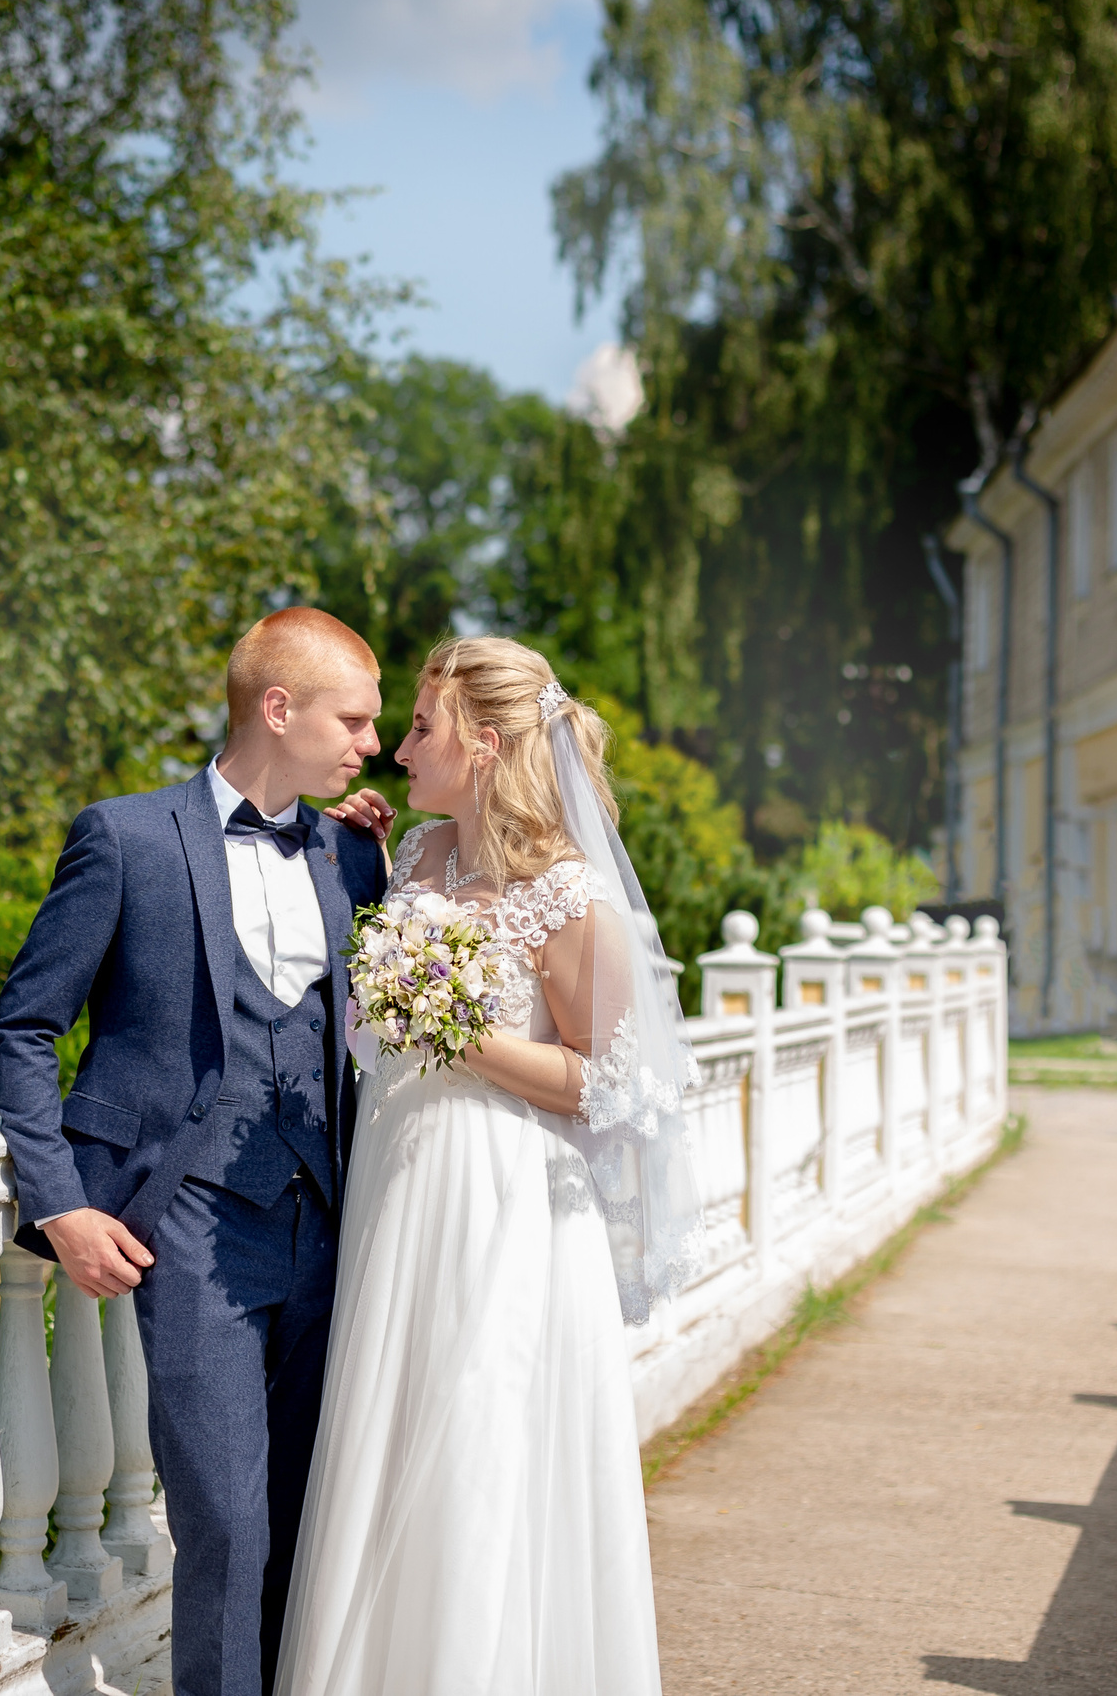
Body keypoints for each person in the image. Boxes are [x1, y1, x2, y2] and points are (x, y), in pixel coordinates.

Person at [276, 635, 700, 1696]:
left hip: (502, 1193)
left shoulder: (566, 893)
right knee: (389, 1421)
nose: (399, 747)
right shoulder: (413, 857)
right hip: (399, 1179)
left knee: (476, 1441)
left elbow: (606, 1083)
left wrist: (453, 1029)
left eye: (420, 727)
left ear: (487, 742)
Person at [0, 607, 398, 1696]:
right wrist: (61, 1203)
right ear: (279, 709)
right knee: (223, 1519)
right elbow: (25, 1026)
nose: (372, 743)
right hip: (187, 1220)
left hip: (335, 1222)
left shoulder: (354, 852)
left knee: (310, 1513)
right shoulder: (124, 838)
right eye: (353, 720)